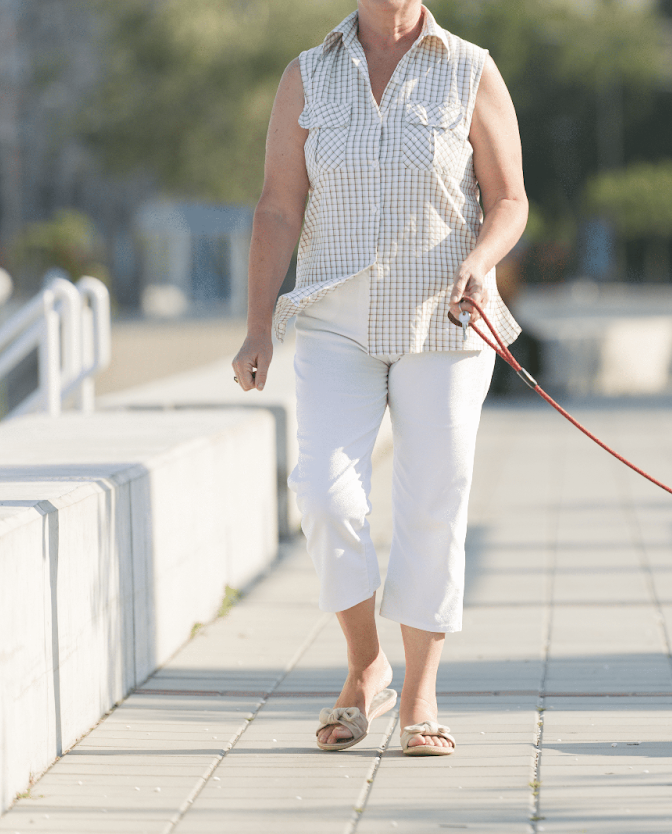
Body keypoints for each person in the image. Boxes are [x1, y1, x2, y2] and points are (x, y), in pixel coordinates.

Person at [231, 0, 525, 757]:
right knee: (324, 496)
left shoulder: (470, 68)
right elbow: (276, 205)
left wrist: (479, 260)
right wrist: (259, 324)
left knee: (432, 502)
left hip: (446, 323)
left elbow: (510, 201)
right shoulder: (307, 75)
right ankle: (366, 666)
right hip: (335, 321)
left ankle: (421, 695)